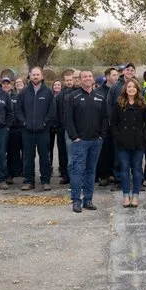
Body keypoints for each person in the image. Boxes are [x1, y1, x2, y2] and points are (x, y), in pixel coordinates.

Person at [66, 70, 109, 213]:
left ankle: (88, 200)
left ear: (93, 79)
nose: (87, 79)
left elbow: (105, 117)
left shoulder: (100, 96)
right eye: (84, 77)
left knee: (91, 171)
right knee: (78, 170)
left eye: (90, 76)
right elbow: (68, 119)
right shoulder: (73, 96)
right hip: (80, 141)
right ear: (80, 79)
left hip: (96, 141)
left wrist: (102, 135)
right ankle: (76, 200)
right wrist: (74, 137)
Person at [111, 78, 146, 208]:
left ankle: (135, 195)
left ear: (137, 89)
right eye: (129, 87)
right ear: (125, 89)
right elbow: (113, 123)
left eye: (133, 87)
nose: (131, 89)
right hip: (123, 143)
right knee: (124, 170)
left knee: (137, 169)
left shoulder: (143, 103)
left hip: (138, 142)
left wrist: (144, 136)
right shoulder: (119, 103)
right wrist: (118, 137)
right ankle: (125, 196)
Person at [18, 67, 56, 191]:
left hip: (43, 131)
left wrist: (45, 123)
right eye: (33, 74)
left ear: (42, 76)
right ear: (30, 76)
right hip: (27, 131)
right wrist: (24, 123)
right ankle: (29, 181)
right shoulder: (23, 92)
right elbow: (18, 110)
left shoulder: (48, 92)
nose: (35, 76)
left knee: (45, 157)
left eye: (37, 74)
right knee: (28, 157)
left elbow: (52, 111)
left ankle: (45, 181)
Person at [56, 70, 78, 185]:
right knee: (62, 152)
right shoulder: (60, 95)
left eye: (71, 80)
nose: (69, 82)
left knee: (74, 153)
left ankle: (75, 176)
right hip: (62, 127)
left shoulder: (77, 92)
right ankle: (65, 175)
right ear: (64, 82)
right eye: (67, 80)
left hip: (75, 128)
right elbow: (58, 111)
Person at [6, 77, 25, 182]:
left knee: (13, 153)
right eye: (4, 83)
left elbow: (18, 112)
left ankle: (12, 173)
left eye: (8, 83)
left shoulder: (16, 97)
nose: (6, 85)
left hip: (15, 128)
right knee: (3, 153)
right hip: (2, 128)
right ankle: (3, 174)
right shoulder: (0, 96)